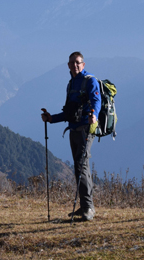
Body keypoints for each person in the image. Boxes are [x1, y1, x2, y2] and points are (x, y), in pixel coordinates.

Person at [41, 51, 100, 221]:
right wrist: (51, 118)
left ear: (83, 64)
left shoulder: (90, 81)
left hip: (85, 130)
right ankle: (84, 206)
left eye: (78, 62)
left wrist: (94, 115)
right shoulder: (71, 84)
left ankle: (89, 208)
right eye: (72, 62)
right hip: (73, 129)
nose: (75, 65)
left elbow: (96, 102)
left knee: (82, 166)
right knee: (78, 167)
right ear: (68, 65)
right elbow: (69, 112)